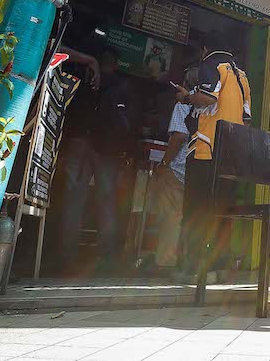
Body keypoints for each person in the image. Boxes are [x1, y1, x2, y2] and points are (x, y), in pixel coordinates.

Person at [178, 32, 251, 280]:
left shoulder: (210, 64)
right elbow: (244, 115)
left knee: (197, 210)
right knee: (221, 211)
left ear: (205, 49)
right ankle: (218, 268)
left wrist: (187, 96)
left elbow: (208, 97)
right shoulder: (241, 75)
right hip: (231, 155)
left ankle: (193, 268)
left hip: (205, 150)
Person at [60, 47, 134, 275]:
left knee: (74, 200)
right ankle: (107, 258)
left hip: (80, 142)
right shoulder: (122, 87)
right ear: (117, 64)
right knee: (107, 202)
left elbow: (69, 110)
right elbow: (127, 124)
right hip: (107, 149)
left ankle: (66, 258)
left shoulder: (82, 79)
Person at [141, 67, 198, 269]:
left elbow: (179, 137)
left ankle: (166, 261)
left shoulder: (184, 104)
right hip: (200, 172)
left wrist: (164, 164)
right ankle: (189, 262)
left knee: (172, 216)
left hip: (179, 169)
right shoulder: (212, 107)